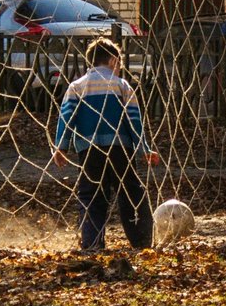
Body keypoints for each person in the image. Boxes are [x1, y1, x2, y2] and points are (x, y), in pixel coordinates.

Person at [52, 38, 160, 251]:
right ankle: (142, 242)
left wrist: (61, 147)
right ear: (113, 60)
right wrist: (144, 149)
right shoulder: (122, 85)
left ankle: (92, 244)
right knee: (130, 192)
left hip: (89, 149)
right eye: (118, 62)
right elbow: (133, 120)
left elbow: (66, 117)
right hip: (120, 148)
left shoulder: (77, 86)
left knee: (91, 194)